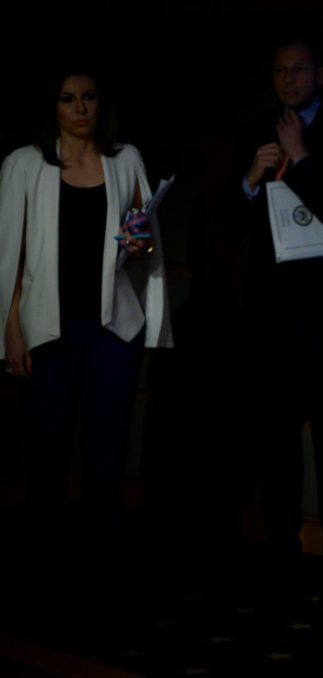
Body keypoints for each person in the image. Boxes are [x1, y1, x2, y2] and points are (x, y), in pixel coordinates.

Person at [219, 38, 323, 613]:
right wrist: (250, 178)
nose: (288, 79)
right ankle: (280, 572)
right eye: (279, 70)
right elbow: (227, 225)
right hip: (272, 329)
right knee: (276, 462)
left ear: (320, 73)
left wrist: (301, 158)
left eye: (299, 69)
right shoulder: (254, 132)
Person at [0, 66, 172, 548]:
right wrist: (11, 328)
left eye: (89, 97)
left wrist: (139, 244)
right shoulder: (24, 163)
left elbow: (144, 237)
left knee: (106, 456)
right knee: (47, 456)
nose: (80, 109)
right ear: (52, 106)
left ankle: (103, 562)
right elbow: (10, 255)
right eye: (68, 99)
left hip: (111, 330)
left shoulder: (124, 158)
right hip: (47, 330)